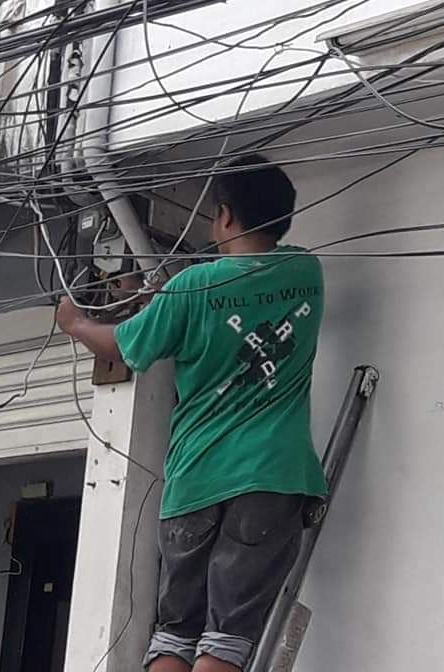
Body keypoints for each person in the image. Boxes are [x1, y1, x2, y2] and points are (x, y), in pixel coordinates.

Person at [56, 153, 326, 672]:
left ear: (224, 215)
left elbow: (120, 345)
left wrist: (74, 323)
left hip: (192, 484)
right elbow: (242, 279)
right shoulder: (305, 271)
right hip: (271, 479)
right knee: (226, 638)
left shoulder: (190, 290)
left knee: (174, 634)